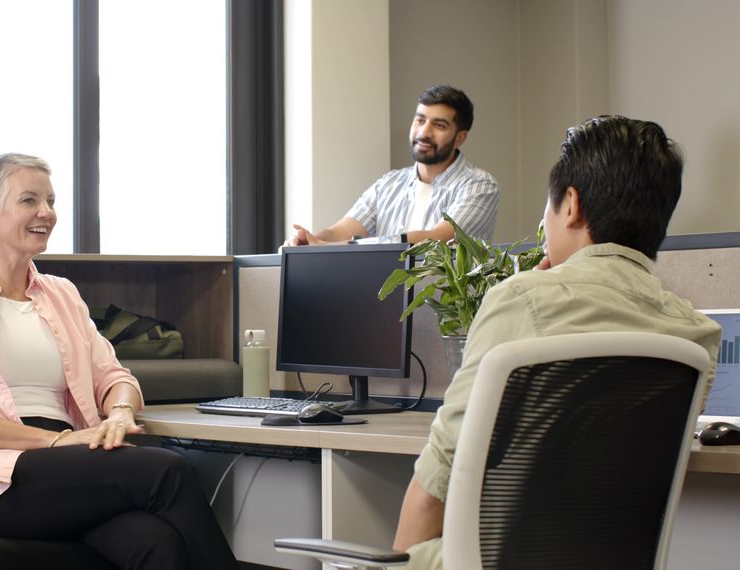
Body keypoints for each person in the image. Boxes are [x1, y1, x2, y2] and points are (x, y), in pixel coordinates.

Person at [391, 116, 722, 568]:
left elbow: (435, 488)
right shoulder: (696, 336)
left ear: (571, 205)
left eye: (547, 209)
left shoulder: (521, 299)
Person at [0, 153, 238, 570]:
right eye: (29, 200)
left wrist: (119, 411)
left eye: (50, 201)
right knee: (168, 471)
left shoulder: (61, 293)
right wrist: (56, 442)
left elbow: (114, 375)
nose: (45, 213)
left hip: (70, 465)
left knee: (157, 544)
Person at [287, 84, 499, 247]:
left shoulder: (479, 185)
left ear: (460, 138)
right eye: (420, 120)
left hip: (447, 303)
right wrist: (309, 242)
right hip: (384, 301)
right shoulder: (388, 184)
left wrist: (327, 247)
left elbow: (434, 241)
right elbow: (339, 232)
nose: (424, 132)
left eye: (439, 125)